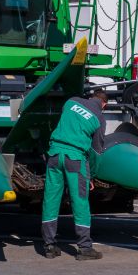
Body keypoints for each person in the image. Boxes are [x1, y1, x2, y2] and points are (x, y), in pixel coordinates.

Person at [41, 89, 108, 260]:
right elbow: (97, 151)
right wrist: (91, 175)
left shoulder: (71, 101)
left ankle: (49, 246)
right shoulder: (99, 117)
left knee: (51, 199)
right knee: (80, 201)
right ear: (104, 104)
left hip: (54, 156)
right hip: (76, 160)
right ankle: (85, 248)